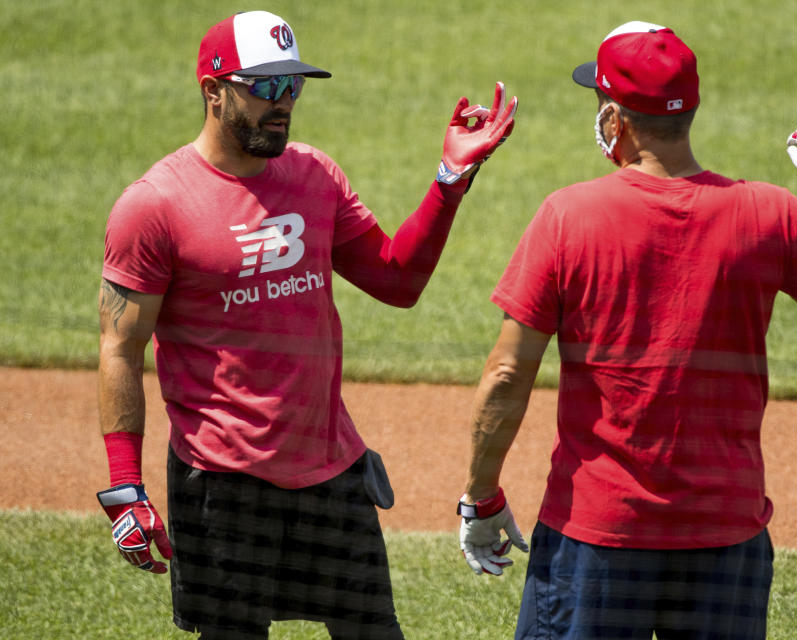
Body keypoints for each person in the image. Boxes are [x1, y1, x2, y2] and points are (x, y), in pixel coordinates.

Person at [456, 21, 797, 640]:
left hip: (597, 538)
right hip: (726, 542)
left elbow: (507, 375)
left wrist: (480, 497)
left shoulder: (567, 217)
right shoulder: (768, 214)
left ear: (615, 120)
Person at [95, 10, 517, 640]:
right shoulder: (154, 205)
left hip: (331, 471)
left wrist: (450, 180)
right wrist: (125, 487)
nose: (283, 104)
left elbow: (397, 282)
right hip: (221, 486)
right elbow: (120, 348)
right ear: (213, 89)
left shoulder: (314, 175)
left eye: (292, 86)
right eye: (265, 87)